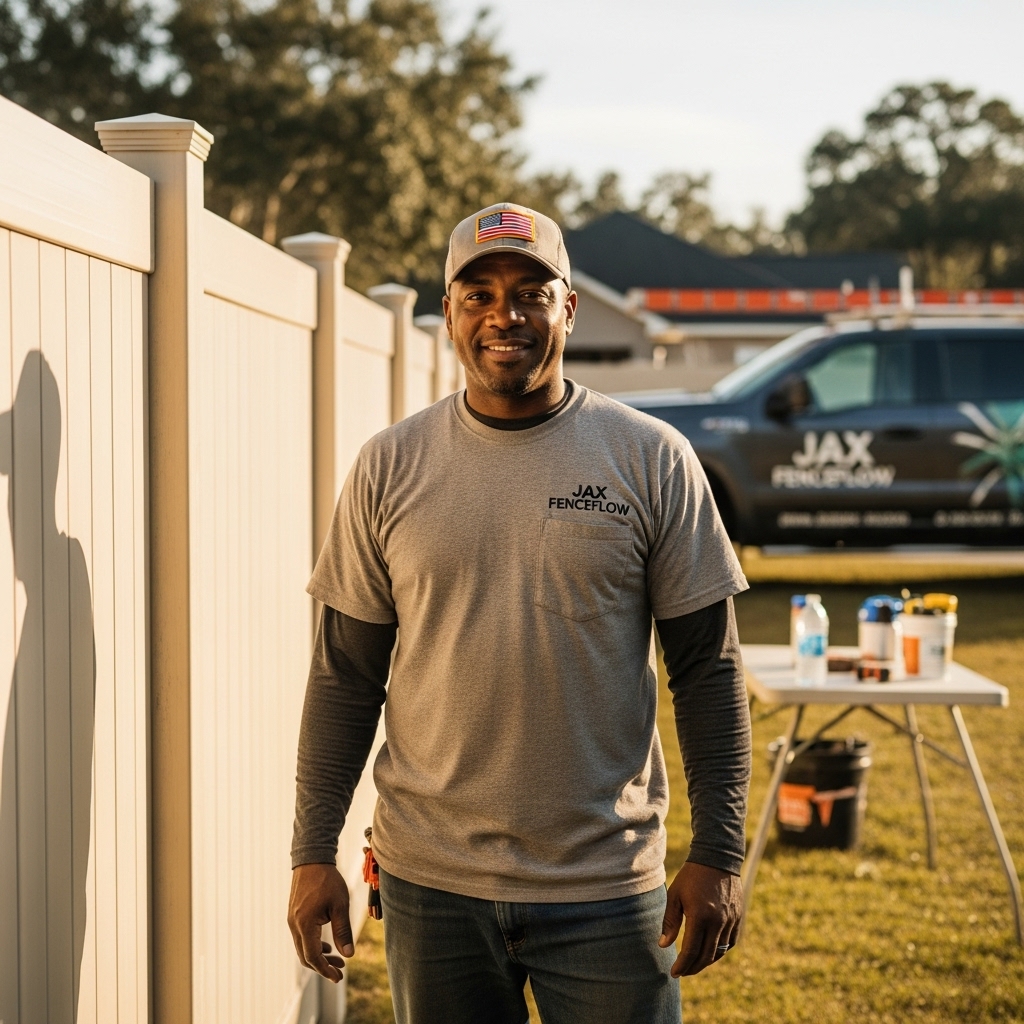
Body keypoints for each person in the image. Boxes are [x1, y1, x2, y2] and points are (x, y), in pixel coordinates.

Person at [287, 202, 752, 1024]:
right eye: (479, 293)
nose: (506, 314)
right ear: (450, 315)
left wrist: (718, 852)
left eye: (531, 291)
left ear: (567, 306)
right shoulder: (388, 467)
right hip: (432, 886)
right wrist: (311, 852)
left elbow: (708, 671)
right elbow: (345, 679)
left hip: (606, 887)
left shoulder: (650, 459)